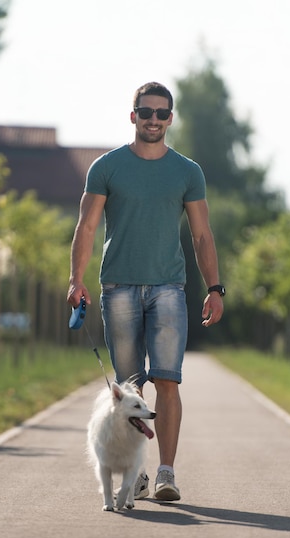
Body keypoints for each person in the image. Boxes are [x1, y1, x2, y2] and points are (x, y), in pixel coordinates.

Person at [67, 81, 224, 502]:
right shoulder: (107, 166)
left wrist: (214, 287)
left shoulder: (188, 172)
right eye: (146, 111)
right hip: (116, 287)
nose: (153, 119)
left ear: (170, 119)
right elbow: (86, 226)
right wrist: (75, 279)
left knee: (167, 382)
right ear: (132, 114)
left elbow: (202, 235)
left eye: (161, 113)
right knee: (128, 388)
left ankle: (166, 474)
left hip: (169, 289)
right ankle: (133, 475)